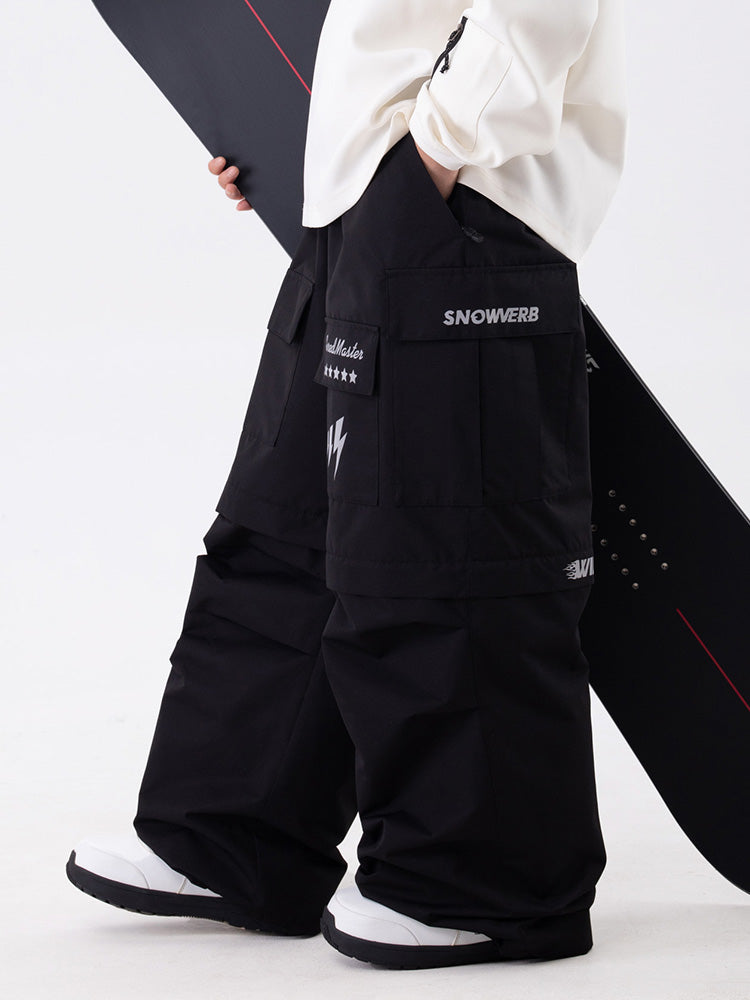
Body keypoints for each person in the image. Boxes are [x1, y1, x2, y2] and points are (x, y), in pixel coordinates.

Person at [66, 0, 628, 970]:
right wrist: (301, 144)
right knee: (285, 529)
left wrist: (431, 157)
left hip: (465, 211)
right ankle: (235, 837)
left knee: (447, 553)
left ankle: (488, 888)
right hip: (359, 210)